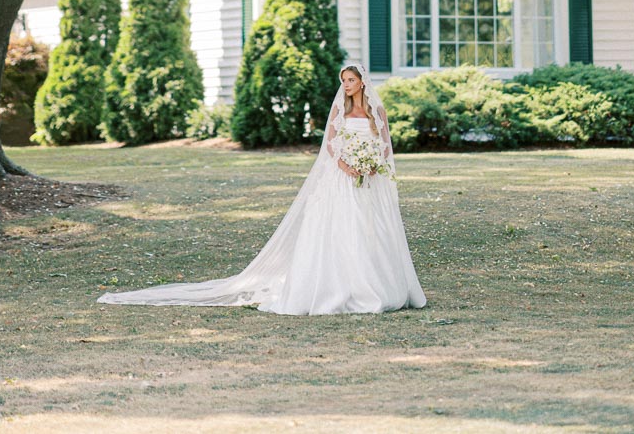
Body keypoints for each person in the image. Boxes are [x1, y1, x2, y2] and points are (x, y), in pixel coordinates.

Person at [97, 61, 426, 315]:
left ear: (363, 82)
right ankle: (339, 288)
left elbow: (385, 144)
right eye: (343, 81)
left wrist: (370, 164)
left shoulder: (375, 111)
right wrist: (347, 165)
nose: (346, 86)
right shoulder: (339, 109)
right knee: (341, 232)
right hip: (343, 178)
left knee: (369, 232)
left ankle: (377, 287)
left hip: (368, 179)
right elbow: (331, 145)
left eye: (351, 81)